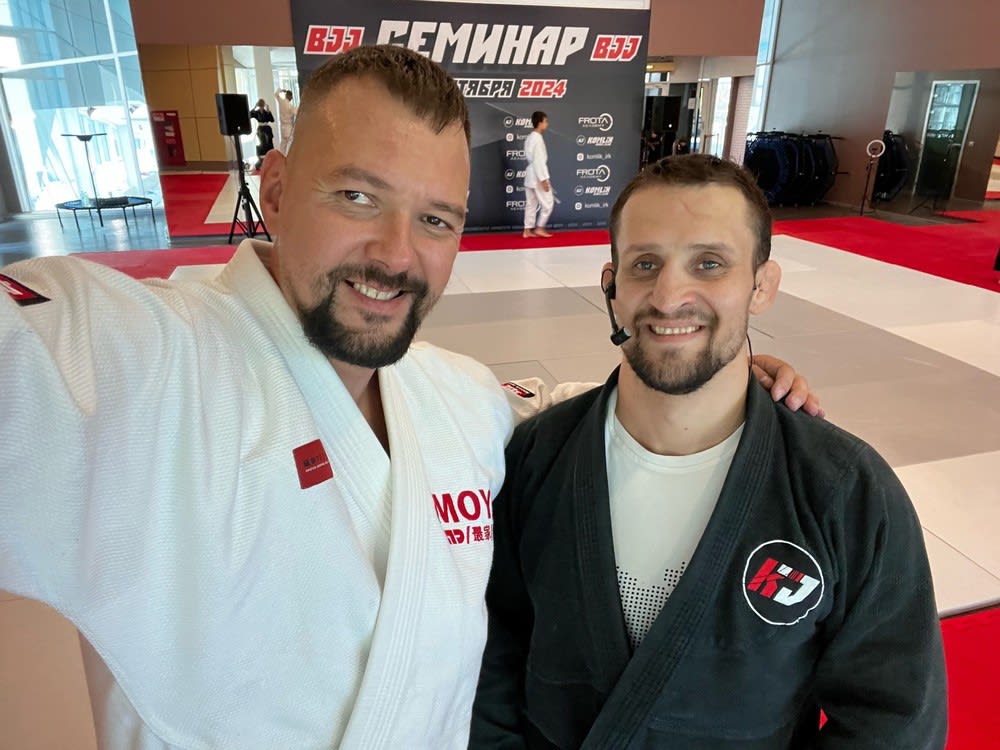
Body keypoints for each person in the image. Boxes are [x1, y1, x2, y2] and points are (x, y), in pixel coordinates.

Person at [0, 47, 814, 749]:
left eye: (436, 219)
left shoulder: (457, 396)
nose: (395, 256)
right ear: (274, 191)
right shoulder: (143, 363)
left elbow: (559, 414)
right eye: (357, 197)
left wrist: (725, 381)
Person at [471, 155, 947, 749]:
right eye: (645, 264)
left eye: (709, 263)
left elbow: (895, 719)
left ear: (762, 286)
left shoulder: (843, 490)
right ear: (611, 286)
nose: (670, 296)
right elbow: (488, 659)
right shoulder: (536, 457)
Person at [522, 110, 554, 239]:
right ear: (539, 123)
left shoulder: (530, 137)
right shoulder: (538, 139)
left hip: (530, 175)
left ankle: (526, 230)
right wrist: (544, 180)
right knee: (548, 203)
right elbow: (538, 161)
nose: (547, 124)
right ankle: (539, 228)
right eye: (545, 121)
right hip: (537, 175)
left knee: (531, 203)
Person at [249, 97, 275, 170]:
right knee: (263, 144)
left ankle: (271, 160)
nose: (261, 107)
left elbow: (272, 120)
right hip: (261, 129)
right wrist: (254, 107)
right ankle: (261, 161)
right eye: (260, 106)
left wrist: (269, 112)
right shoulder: (256, 112)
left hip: (267, 129)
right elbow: (249, 115)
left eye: (262, 106)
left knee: (270, 144)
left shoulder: (266, 112)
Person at [275, 87, 298, 154]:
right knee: (290, 144)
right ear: (289, 96)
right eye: (291, 96)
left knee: (283, 145)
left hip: (282, 127)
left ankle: (281, 157)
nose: (292, 98)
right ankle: (290, 158)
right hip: (288, 127)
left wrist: (281, 90)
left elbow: (276, 94)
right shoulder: (290, 106)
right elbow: (297, 113)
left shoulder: (281, 101)